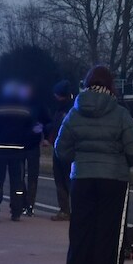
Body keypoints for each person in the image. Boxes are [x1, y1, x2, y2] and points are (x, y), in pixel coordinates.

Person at [55, 65, 133, 264]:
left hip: (82, 180)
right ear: (111, 86)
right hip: (113, 181)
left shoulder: (74, 114)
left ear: (87, 84)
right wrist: (120, 160)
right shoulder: (119, 114)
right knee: (109, 238)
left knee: (80, 237)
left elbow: (60, 150)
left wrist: (80, 159)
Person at [0, 81, 36, 222]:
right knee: (17, 184)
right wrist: (25, 143)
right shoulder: (25, 110)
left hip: (0, 149)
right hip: (18, 151)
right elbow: (31, 130)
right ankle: (16, 212)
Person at [19, 81, 51, 218]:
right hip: (18, 145)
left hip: (32, 146)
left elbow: (48, 121)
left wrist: (46, 137)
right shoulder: (17, 105)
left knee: (32, 177)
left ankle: (30, 206)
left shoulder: (39, 106)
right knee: (18, 177)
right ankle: (22, 203)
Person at [46, 80, 75, 221]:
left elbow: (59, 129)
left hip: (67, 151)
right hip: (59, 149)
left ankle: (68, 210)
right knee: (61, 180)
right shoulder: (63, 109)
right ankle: (65, 210)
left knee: (66, 181)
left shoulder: (69, 110)